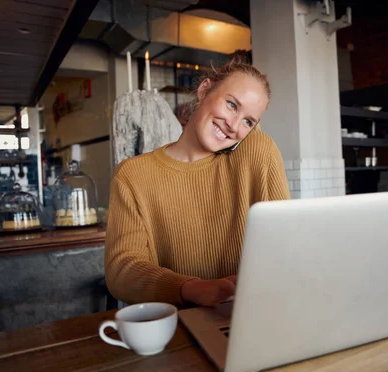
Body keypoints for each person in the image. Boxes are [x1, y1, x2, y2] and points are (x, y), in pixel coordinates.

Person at [105, 59, 291, 307]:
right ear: (204, 91)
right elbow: (122, 271)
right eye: (231, 104)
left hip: (251, 314)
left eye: (248, 121)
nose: (234, 126)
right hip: (177, 323)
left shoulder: (258, 150)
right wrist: (191, 288)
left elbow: (285, 244)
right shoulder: (133, 175)